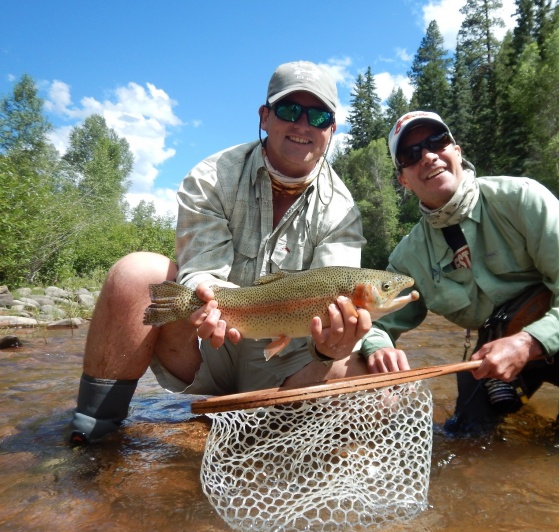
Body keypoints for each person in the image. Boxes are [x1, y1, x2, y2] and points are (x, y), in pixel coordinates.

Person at [66, 61, 371, 445]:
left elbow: (334, 293)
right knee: (136, 274)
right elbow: (202, 268)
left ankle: (280, 441)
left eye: (319, 115)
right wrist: (208, 303)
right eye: (289, 110)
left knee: (364, 369)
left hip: (286, 369)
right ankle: (93, 437)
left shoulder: (342, 209)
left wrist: (331, 347)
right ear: (264, 117)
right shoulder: (212, 176)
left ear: (332, 129)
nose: (303, 125)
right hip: (208, 347)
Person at [359, 110, 559, 434]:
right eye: (411, 154)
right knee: (469, 439)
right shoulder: (408, 259)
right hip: (490, 351)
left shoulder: (522, 198)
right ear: (403, 180)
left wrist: (527, 342)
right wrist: (379, 347)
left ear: (457, 150)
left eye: (437, 142)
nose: (428, 156)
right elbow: (375, 323)